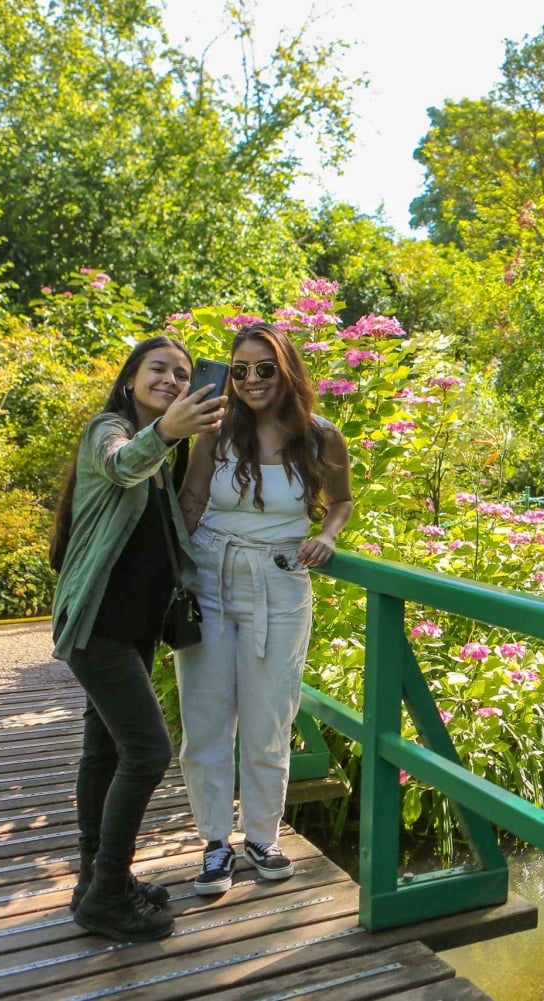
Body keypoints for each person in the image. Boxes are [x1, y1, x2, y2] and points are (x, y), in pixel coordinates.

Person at [50, 335, 226, 941]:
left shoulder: (162, 458)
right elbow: (122, 463)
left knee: (103, 755)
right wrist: (171, 432)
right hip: (97, 629)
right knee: (147, 753)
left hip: (132, 630)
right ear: (130, 380)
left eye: (183, 374)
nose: (173, 381)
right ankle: (105, 897)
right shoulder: (110, 431)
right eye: (159, 370)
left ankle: (96, 881)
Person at [176, 321, 351, 895]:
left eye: (264, 368)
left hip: (280, 579)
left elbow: (341, 500)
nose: (251, 380)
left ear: (287, 371)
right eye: (240, 369)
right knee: (204, 716)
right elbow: (194, 499)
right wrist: (172, 574)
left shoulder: (319, 435)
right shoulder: (217, 427)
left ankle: (262, 836)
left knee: (269, 714)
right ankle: (212, 844)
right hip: (211, 573)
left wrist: (327, 533)